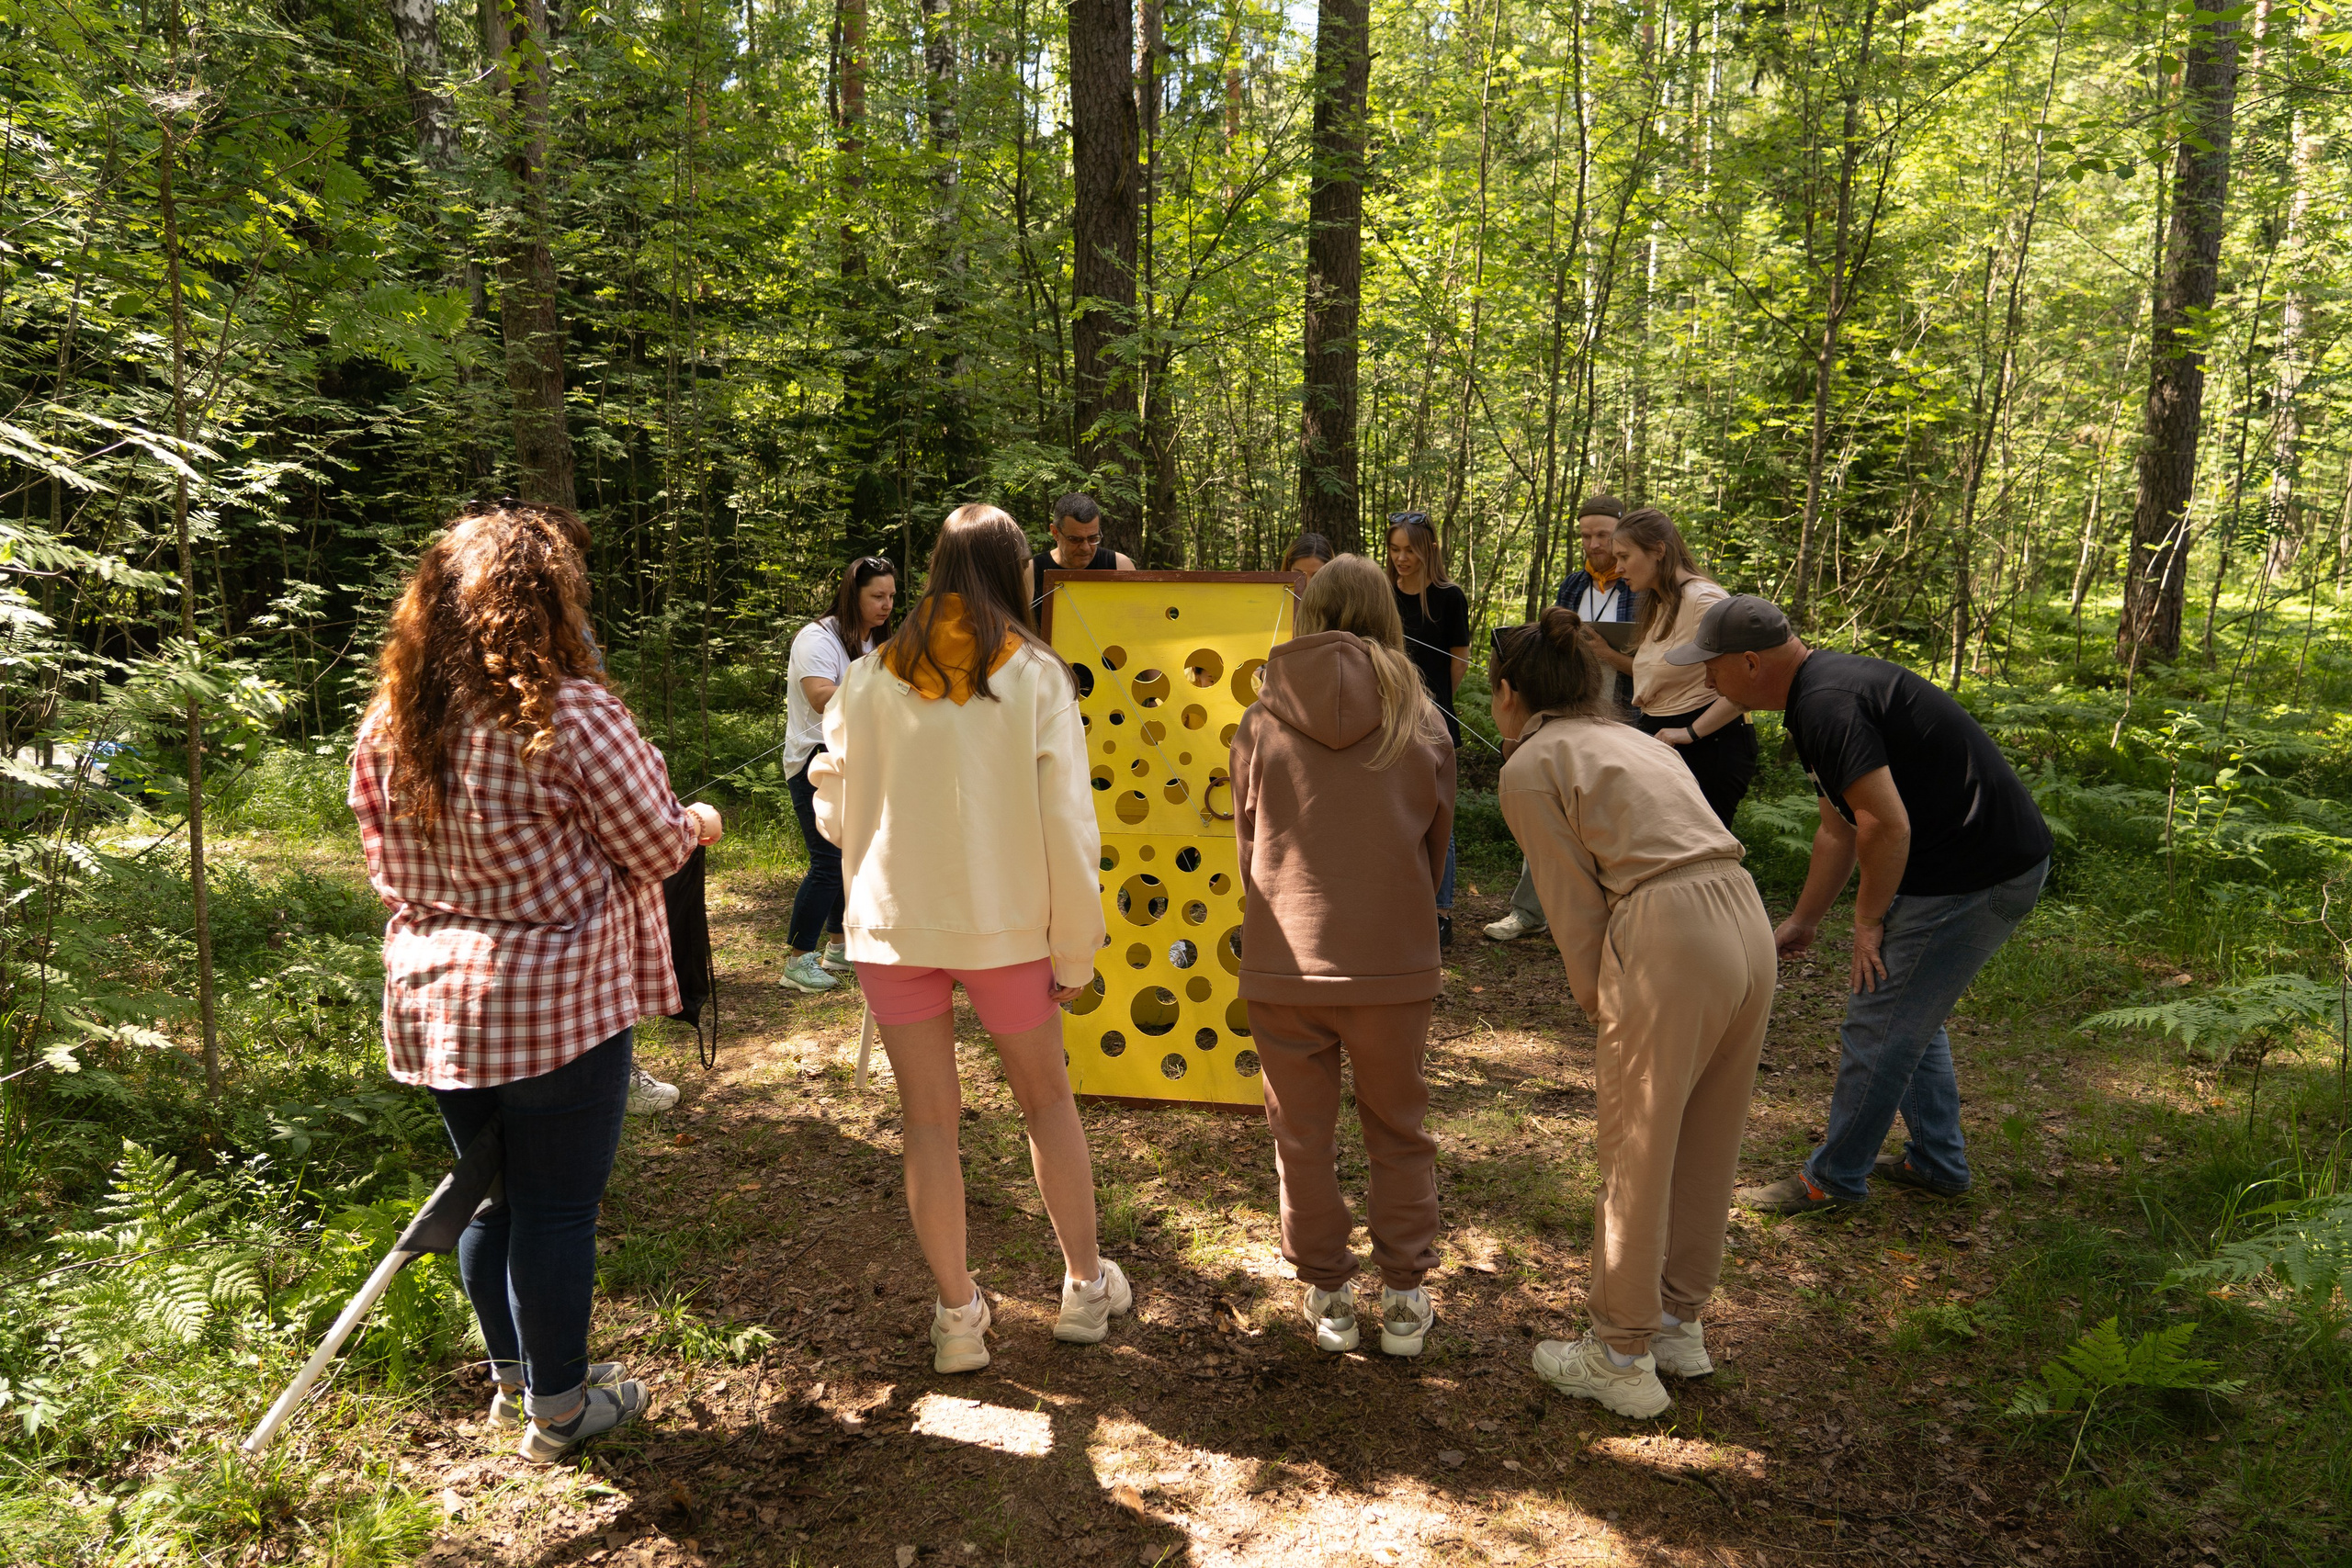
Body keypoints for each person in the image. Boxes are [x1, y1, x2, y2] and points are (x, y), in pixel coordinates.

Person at [349, 502, 725, 1462]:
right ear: (548, 604)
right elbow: (654, 848)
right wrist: (698, 823)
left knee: (494, 1201)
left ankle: (521, 1377)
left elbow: (386, 867)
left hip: (439, 1002)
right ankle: (558, 1410)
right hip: (556, 1003)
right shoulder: (572, 715)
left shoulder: (393, 722)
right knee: (555, 1210)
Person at [813, 503, 1128, 1371]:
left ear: (937, 571)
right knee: (1047, 1100)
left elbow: (830, 799)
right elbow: (1070, 824)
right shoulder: (1036, 673)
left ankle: (958, 1314)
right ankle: (1084, 1286)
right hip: (1007, 926)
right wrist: (1077, 946)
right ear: (1016, 571)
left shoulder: (870, 674)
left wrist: (878, 827)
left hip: (895, 924)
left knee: (927, 1121)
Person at [1681, 595, 2053, 1215]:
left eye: (1710, 666)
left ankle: (1834, 1181)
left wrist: (1868, 921)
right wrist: (1804, 920)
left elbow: (1885, 824)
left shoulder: (1827, 704)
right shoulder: (1815, 694)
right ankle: (1936, 1162)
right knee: (1904, 1012)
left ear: (1749, 662)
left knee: (1879, 1020)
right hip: (1971, 864)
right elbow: (1839, 827)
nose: (1705, 680)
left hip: (1976, 874)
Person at [1491, 609, 1774, 1418]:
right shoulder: (1641, 740)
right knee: (1709, 1133)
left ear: (1509, 693)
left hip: (1670, 930)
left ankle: (1620, 1353)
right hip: (1744, 916)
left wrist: (1602, 1004)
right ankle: (1679, 1322)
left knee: (1638, 1147)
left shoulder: (1532, 763)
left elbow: (1574, 910)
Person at [1231, 555, 1456, 1359]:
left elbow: (1247, 842)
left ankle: (1329, 1294)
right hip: (1392, 958)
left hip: (1285, 957)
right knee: (1399, 1128)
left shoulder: (1260, 719)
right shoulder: (1420, 718)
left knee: (1301, 1136)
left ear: (1311, 614)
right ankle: (1404, 1298)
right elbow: (1436, 847)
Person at [1487, 494, 1639, 945]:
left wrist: (1609, 654)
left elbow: (1658, 666)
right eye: (1586, 536)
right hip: (1566, 707)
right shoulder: (1573, 586)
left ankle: (1609, 915)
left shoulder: (1642, 588)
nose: (1593, 545)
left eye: (1602, 535)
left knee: (1608, 815)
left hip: (1624, 714)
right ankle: (1529, 912)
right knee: (1549, 804)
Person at [777, 556, 897, 995]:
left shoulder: (876, 640)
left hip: (854, 756)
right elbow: (820, 695)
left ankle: (838, 947)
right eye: (877, 596)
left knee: (851, 854)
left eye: (891, 596)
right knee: (827, 861)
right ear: (852, 595)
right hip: (814, 759)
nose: (886, 605)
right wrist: (879, 687)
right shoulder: (818, 637)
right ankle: (797, 960)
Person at [1612, 507, 1757, 832]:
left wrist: (1691, 732)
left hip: (1708, 744)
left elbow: (1747, 683)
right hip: (1666, 736)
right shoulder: (1662, 601)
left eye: (1624, 556)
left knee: (1702, 848)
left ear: (1658, 551)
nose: (1618, 568)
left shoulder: (1703, 600)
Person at [1385, 512, 1470, 946]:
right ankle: (1397, 902)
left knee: (1438, 816)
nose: (1401, 558)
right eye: (1394, 549)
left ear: (1429, 550)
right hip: (1388, 719)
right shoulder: (1384, 593)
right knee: (1392, 811)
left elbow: (1459, 659)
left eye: (1410, 550)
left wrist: (1434, 706)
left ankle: (1440, 911)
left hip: (1433, 719)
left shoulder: (1449, 597)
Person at [1029, 492, 1136, 619]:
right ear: (1055, 532)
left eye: (1092, 538)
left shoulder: (1120, 565)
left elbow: (1136, 621)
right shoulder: (1031, 571)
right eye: (1075, 539)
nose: (1085, 548)